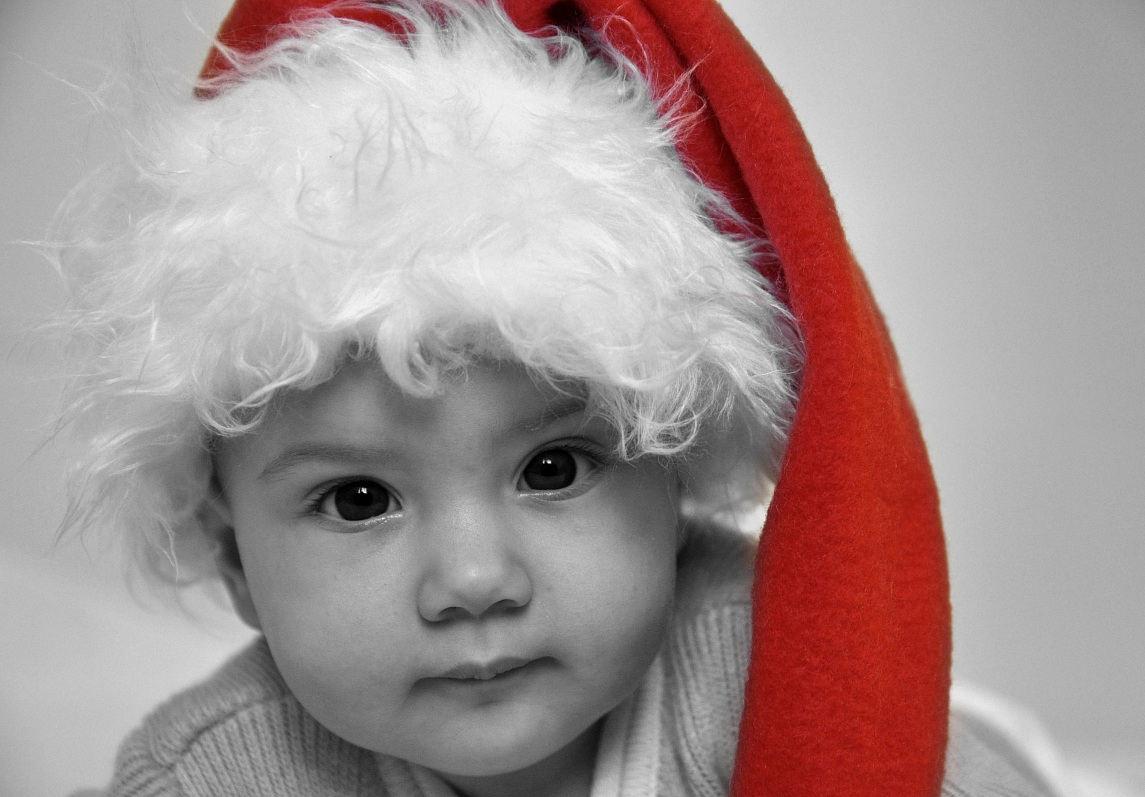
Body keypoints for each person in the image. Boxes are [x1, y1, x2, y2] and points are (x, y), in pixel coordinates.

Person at [50, 1, 1068, 795]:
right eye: (358, 497)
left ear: (676, 481)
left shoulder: (781, 676)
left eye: (554, 467)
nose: (475, 578)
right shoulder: (209, 771)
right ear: (233, 561)